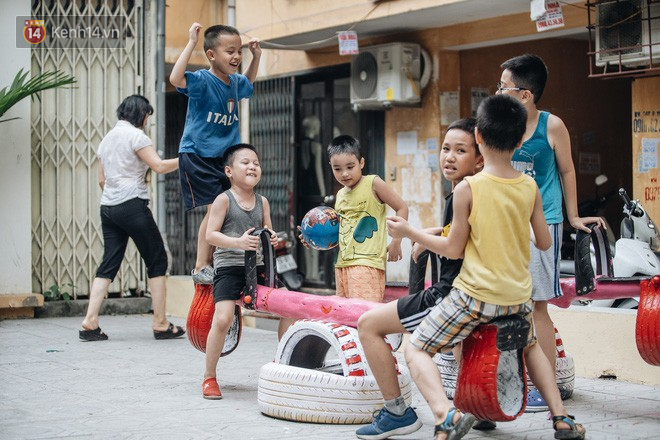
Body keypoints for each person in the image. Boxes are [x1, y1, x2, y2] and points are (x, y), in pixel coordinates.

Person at [387, 95, 586, 440]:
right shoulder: (529, 187)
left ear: (478, 137)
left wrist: (408, 232)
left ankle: (445, 414)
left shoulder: (468, 188)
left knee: (415, 348)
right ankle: (562, 418)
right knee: (531, 345)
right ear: (520, 140)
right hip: (518, 297)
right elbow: (544, 242)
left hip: (474, 298)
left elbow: (453, 247)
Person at [355, 118, 483, 439]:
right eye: (445, 149)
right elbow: (466, 236)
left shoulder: (462, 193)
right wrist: (429, 234)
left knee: (370, 325)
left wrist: (412, 233)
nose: (449, 157)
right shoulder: (483, 189)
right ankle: (478, 409)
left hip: (450, 294)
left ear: (479, 159)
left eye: (460, 150)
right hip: (483, 291)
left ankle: (399, 412)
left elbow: (455, 249)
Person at [499, 54, 605, 411]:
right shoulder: (503, 125)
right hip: (505, 223)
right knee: (511, 303)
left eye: (504, 87)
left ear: (525, 95)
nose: (499, 92)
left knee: (537, 305)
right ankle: (517, 381)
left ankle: (546, 389)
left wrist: (573, 217)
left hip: (543, 222)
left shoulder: (551, 126)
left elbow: (568, 171)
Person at [80, 95, 183, 341]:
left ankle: (89, 321)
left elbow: (102, 181)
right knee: (157, 258)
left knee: (109, 263)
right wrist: (187, 160)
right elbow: (158, 166)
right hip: (132, 204)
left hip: (108, 207)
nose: (148, 120)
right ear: (141, 114)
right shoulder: (137, 136)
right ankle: (160, 323)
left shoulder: (106, 140)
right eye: (148, 115)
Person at [169, 22, 261, 285]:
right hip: (198, 155)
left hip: (225, 157)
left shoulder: (234, 82)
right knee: (214, 210)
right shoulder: (201, 80)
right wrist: (190, 42)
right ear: (211, 55)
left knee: (229, 208)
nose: (236, 57)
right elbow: (176, 79)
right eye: (230, 51)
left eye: (239, 51)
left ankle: (220, 259)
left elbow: (249, 84)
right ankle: (200, 266)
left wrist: (256, 57)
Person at [202, 143, 292, 399]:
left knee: (290, 306)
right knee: (222, 319)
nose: (252, 166)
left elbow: (268, 231)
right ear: (229, 171)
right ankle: (209, 376)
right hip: (230, 267)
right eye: (245, 162)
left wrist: (273, 239)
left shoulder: (262, 201)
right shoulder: (223, 200)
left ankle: (281, 365)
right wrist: (238, 243)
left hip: (261, 267)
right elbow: (211, 235)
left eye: (256, 162)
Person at [300, 135, 408, 302]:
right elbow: (342, 232)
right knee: (346, 319)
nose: (344, 173)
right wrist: (314, 237)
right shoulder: (341, 195)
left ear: (361, 163)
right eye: (337, 169)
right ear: (331, 167)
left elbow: (402, 207)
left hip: (367, 264)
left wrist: (396, 242)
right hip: (342, 264)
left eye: (350, 167)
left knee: (363, 316)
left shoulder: (373, 183)